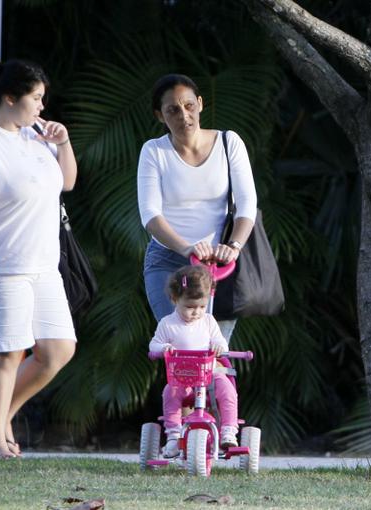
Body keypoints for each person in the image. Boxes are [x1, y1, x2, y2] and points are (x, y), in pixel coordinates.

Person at [0, 58, 77, 458]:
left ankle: (1, 416)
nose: (42, 107)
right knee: (7, 352)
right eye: (36, 98)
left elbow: (68, 182)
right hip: (0, 267)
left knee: (59, 349)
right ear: (10, 98)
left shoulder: (36, 137)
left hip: (43, 267)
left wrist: (62, 143)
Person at [137, 74, 257, 340]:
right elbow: (150, 214)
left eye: (189, 105)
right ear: (160, 115)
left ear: (200, 104)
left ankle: (222, 381)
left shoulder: (229, 143)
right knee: (183, 346)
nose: (183, 115)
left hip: (218, 263)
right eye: (172, 110)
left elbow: (247, 204)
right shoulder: (154, 151)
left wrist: (234, 247)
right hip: (169, 260)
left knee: (215, 353)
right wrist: (186, 247)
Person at [148, 265, 239, 456]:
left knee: (227, 388)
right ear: (175, 300)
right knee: (169, 392)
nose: (196, 312)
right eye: (190, 307)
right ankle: (173, 435)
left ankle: (228, 431)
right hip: (183, 379)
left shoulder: (208, 321)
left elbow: (220, 341)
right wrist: (163, 348)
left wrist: (219, 347)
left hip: (210, 377)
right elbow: (153, 345)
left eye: (202, 307)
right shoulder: (168, 324)